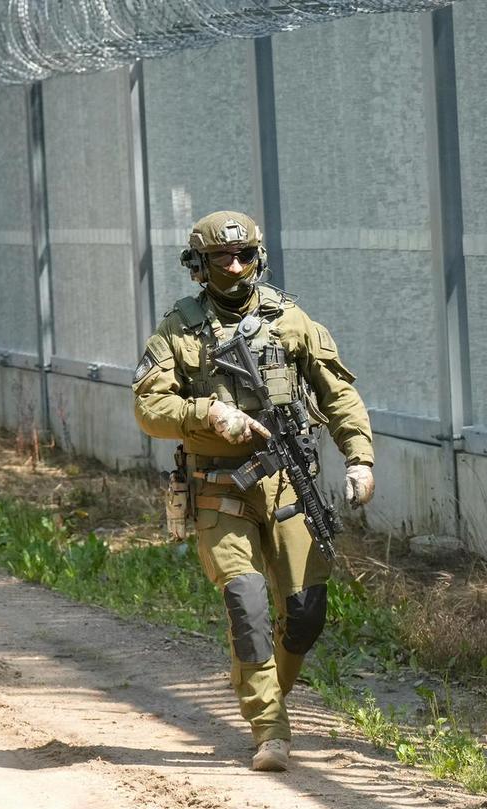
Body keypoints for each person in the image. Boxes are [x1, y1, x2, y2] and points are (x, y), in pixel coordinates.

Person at [131, 210, 375, 772]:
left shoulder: (289, 321)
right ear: (200, 265)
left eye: (243, 257)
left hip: (289, 479)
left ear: (258, 258)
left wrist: (359, 458)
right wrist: (208, 413)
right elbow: (148, 405)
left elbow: (337, 393)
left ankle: (263, 691)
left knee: (306, 613)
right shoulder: (178, 328)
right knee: (247, 604)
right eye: (221, 259)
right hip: (219, 486)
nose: (234, 267)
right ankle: (270, 728)